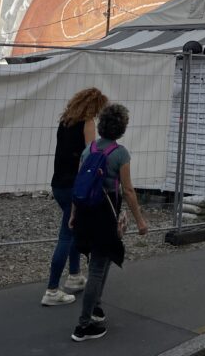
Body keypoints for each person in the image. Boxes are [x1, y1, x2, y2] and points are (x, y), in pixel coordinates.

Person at [70, 103, 148, 342]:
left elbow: (79, 184)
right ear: (122, 128)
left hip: (85, 214)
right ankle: (83, 326)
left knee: (102, 261)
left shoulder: (88, 149)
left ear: (102, 125)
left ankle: (95, 306)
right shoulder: (120, 153)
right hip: (105, 217)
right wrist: (140, 221)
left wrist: (73, 215)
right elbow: (128, 190)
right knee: (97, 268)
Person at [41, 87, 108, 308]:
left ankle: (75, 275)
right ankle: (52, 289)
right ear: (94, 106)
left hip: (58, 183)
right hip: (74, 186)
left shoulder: (66, 122)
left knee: (74, 228)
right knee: (66, 235)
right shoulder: (87, 123)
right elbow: (89, 156)